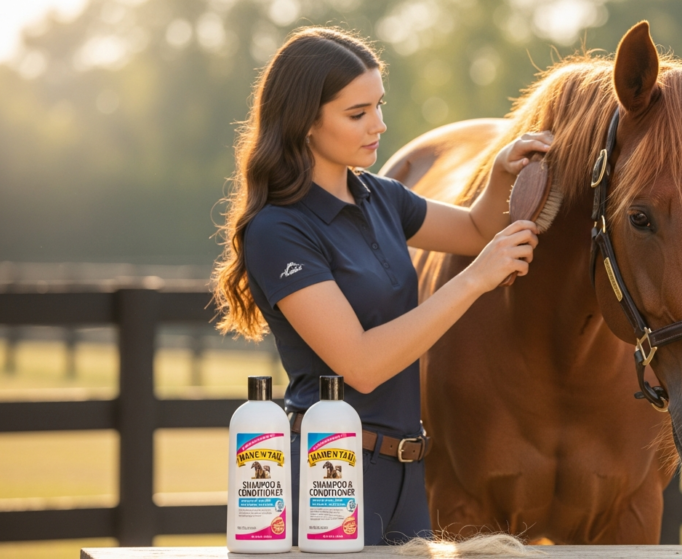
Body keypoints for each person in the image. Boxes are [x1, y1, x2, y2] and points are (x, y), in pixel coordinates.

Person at [211, 27, 551, 546]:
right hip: (331, 474)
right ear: (305, 122)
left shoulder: (381, 196)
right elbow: (362, 366)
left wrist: (504, 172)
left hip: (407, 473)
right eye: (358, 113)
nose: (379, 125)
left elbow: (477, 228)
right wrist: (475, 279)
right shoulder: (278, 230)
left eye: (378, 105)